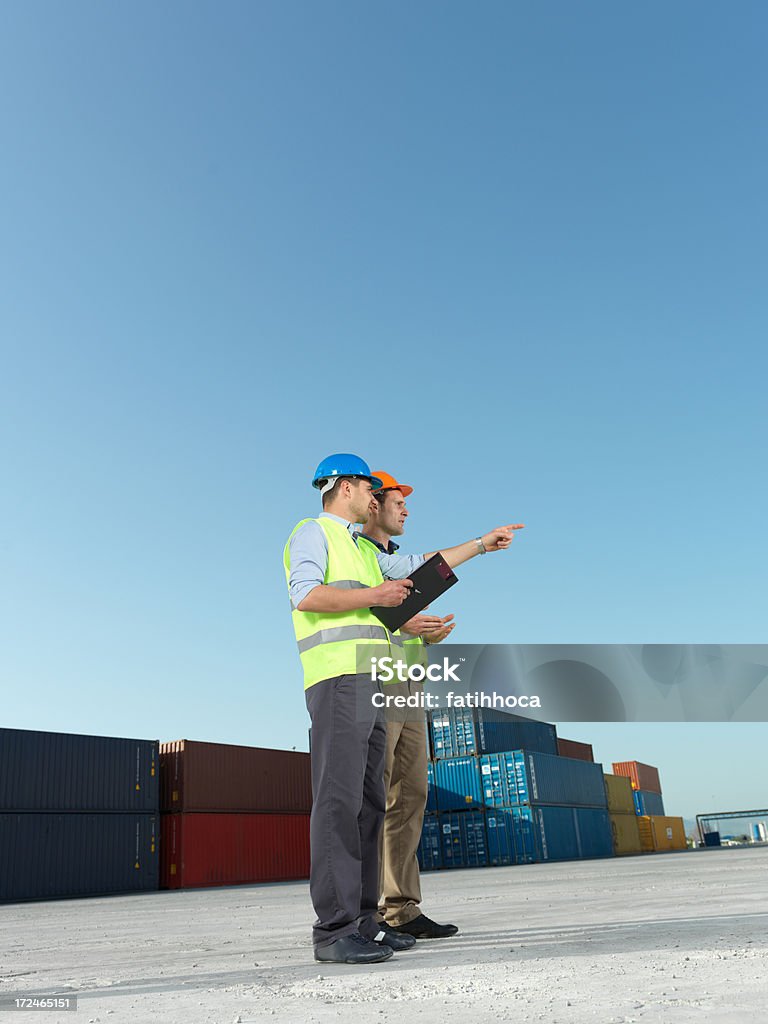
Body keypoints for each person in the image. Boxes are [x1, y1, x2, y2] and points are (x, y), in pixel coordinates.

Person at [359, 470, 523, 940]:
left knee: (410, 797)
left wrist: (425, 631)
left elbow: (422, 574)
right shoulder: (359, 555)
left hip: (410, 682)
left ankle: (402, 909)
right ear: (372, 503)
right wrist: (481, 544)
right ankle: (364, 913)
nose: (406, 509)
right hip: (375, 682)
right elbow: (368, 609)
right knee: (373, 797)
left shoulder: (392, 557)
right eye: (397, 501)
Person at [283, 454, 420, 965]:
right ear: (343, 486)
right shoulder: (311, 532)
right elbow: (305, 595)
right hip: (338, 678)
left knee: (369, 804)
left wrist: (479, 545)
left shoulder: (361, 547)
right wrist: (375, 595)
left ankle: (365, 923)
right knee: (338, 802)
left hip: (373, 681)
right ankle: (334, 930)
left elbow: (414, 571)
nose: (374, 495)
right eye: (368, 486)